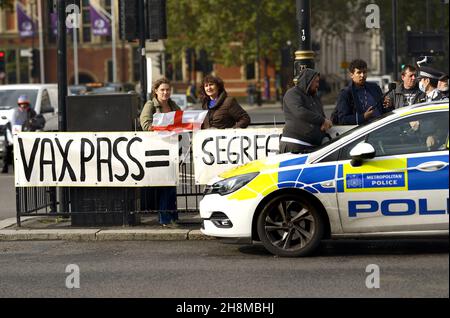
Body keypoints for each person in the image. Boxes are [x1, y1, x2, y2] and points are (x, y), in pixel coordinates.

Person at [139, 78, 180, 227]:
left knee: (172, 183)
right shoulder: (150, 105)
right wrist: (164, 128)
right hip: (157, 149)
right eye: (162, 89)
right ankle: (165, 219)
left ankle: (172, 216)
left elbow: (181, 121)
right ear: (156, 91)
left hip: (173, 149)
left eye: (168, 89)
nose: (165, 92)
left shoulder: (173, 105)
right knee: (166, 185)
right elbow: (145, 124)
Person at [279, 68, 332, 154]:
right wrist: (322, 120)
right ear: (309, 81)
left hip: (311, 147)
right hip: (294, 145)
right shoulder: (292, 93)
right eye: (316, 82)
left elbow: (321, 115)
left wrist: (325, 123)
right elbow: (300, 112)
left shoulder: (315, 97)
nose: (318, 85)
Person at [334, 59, 386, 125]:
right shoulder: (346, 93)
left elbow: (384, 109)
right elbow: (343, 119)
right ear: (352, 75)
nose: (362, 75)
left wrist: (388, 105)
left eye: (364, 72)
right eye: (359, 72)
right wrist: (363, 117)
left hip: (381, 128)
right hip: (362, 132)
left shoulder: (374, 88)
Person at [2, 95, 45, 173]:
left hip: (28, 132)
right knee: (7, 147)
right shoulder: (16, 112)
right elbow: (12, 121)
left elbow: (36, 120)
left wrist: (32, 122)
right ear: (19, 104)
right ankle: (5, 167)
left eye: (25, 104)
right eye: (21, 104)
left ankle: (33, 166)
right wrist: (10, 127)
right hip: (17, 132)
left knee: (34, 149)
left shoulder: (32, 112)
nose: (23, 105)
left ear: (28, 104)